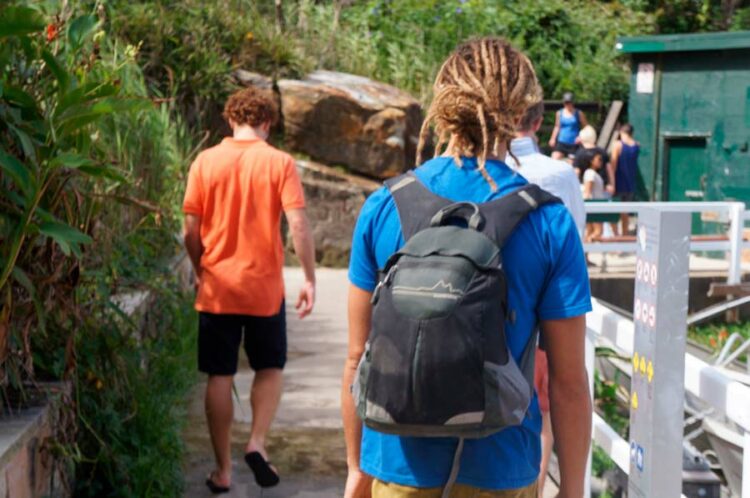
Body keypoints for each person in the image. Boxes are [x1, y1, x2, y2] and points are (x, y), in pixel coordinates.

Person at [342, 37, 592, 498]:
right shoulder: (548, 221)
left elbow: (358, 356)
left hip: (398, 468)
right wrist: (572, 488)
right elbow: (569, 381)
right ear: (520, 108)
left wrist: (357, 469)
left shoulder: (385, 206)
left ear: (445, 103)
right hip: (501, 469)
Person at [182, 87, 316, 493]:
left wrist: (201, 268)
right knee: (269, 368)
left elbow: (190, 230)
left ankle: (223, 470)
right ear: (267, 124)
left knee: (219, 375)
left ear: (230, 119)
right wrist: (309, 276)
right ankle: (257, 441)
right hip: (263, 290)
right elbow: (298, 225)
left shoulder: (205, 161)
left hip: (218, 288)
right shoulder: (279, 162)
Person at [509, 101, 587, 497]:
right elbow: (575, 244)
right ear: (539, 123)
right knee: (542, 409)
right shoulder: (559, 175)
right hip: (546, 313)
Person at [610, 123, 640, 235]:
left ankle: (616, 236)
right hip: (630, 183)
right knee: (625, 211)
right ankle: (625, 235)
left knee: (613, 211)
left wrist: (611, 183)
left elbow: (613, 165)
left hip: (618, 182)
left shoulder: (617, 145)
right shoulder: (636, 146)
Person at [573, 125, 614, 196]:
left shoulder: (579, 154)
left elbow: (576, 173)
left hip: (594, 189)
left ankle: (587, 195)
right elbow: (610, 171)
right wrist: (612, 185)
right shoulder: (602, 151)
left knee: (589, 173)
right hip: (599, 188)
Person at [548, 92, 588, 161]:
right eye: (566, 102)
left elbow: (586, 127)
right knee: (554, 158)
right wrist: (553, 138)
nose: (567, 104)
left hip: (574, 143)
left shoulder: (578, 113)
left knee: (571, 163)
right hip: (562, 141)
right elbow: (557, 126)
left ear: (572, 102)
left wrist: (581, 137)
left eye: (569, 102)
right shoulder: (559, 113)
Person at [581, 150, 608, 243]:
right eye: (599, 159)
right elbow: (587, 192)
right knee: (598, 231)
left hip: (594, 206)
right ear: (591, 161)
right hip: (594, 207)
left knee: (590, 232)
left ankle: (584, 254)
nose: (601, 161)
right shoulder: (590, 173)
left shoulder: (592, 173)